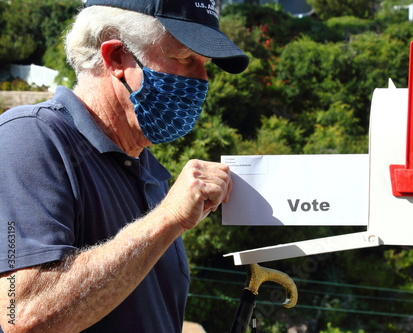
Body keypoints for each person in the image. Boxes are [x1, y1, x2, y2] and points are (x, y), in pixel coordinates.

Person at [0, 0, 248, 332]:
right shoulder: (29, 138)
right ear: (117, 57)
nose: (202, 80)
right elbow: (22, 314)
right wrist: (167, 219)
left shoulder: (150, 171)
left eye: (205, 64)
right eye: (186, 59)